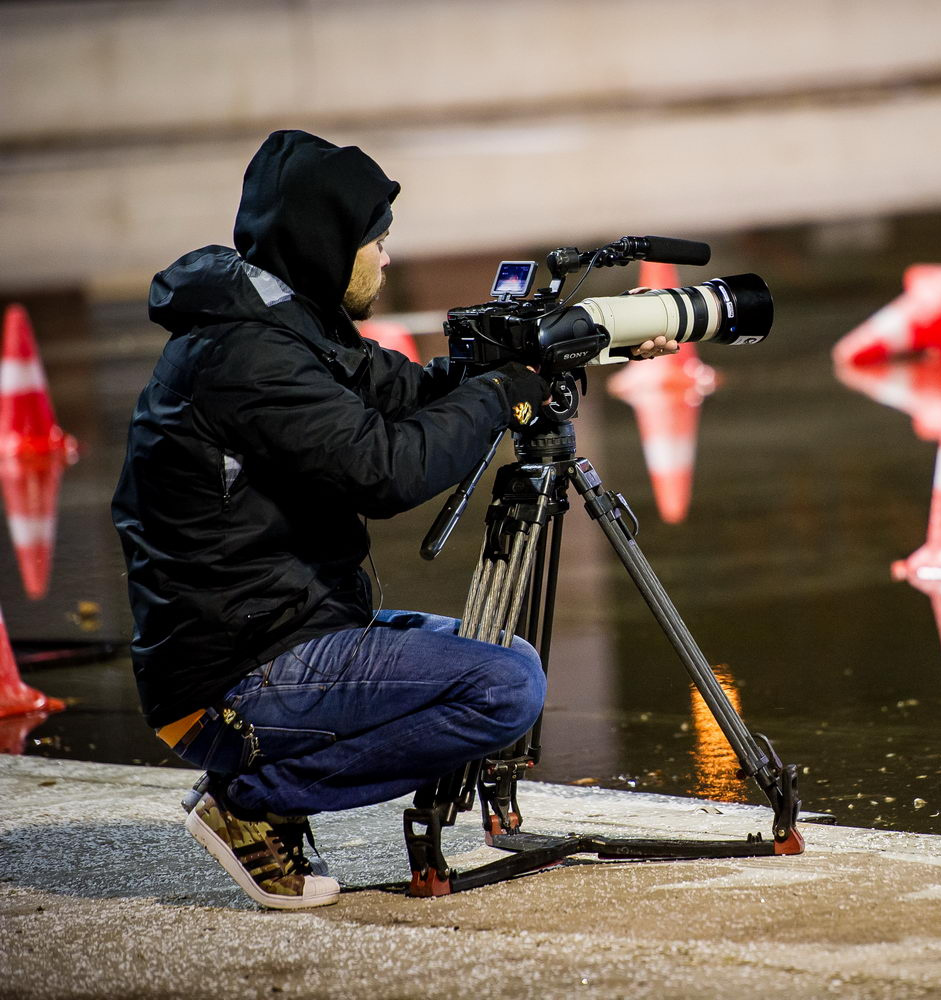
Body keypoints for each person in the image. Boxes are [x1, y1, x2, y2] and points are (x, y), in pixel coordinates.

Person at [112, 129, 674, 910]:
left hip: (273, 634)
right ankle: (252, 802)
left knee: (497, 657)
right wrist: (502, 392)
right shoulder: (248, 358)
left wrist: (563, 347)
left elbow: (409, 392)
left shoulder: (283, 323)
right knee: (502, 687)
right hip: (233, 675)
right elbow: (388, 470)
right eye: (376, 240)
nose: (385, 257)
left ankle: (264, 789)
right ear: (326, 242)